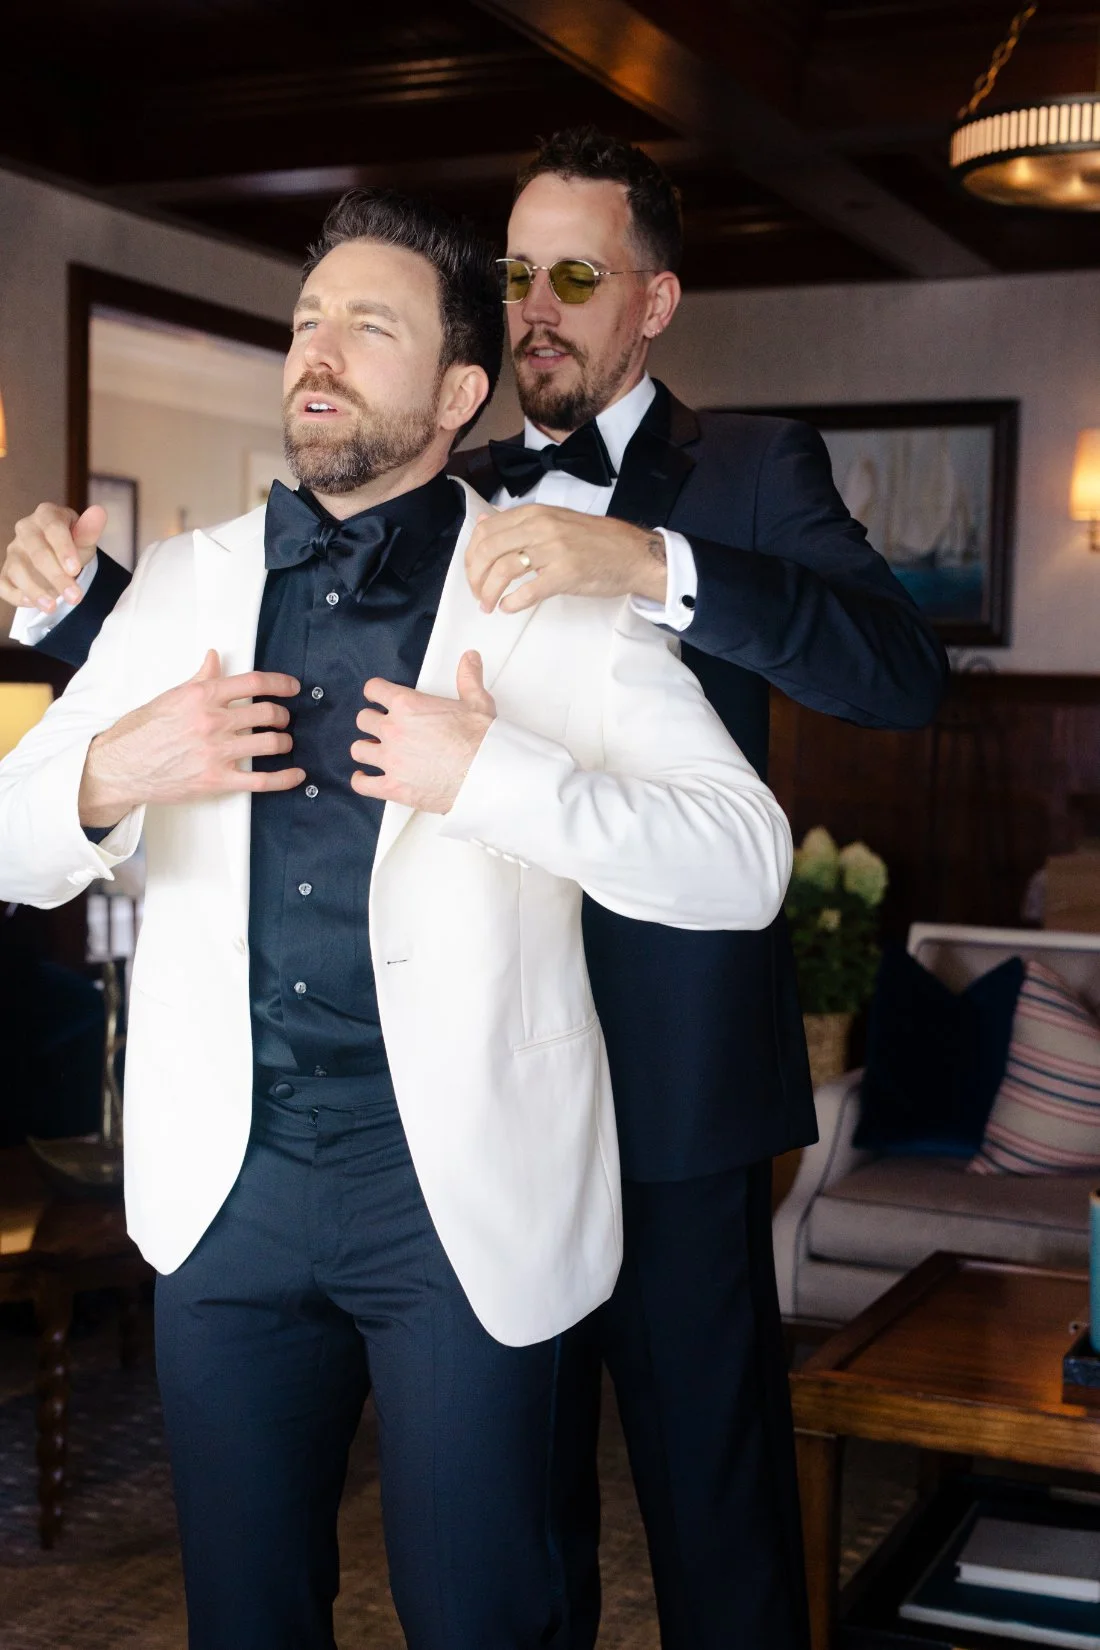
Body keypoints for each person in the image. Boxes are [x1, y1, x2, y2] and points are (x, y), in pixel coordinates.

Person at [3, 130, 948, 1649]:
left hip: (650, 1087)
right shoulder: (429, 502)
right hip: (369, 1118)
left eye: (574, 275)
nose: (534, 309)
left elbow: (882, 694)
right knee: (485, 1545)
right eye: (515, 276)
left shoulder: (709, 494)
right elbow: (267, 669)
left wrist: (641, 578)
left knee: (701, 1503)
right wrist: (86, 651)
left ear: (652, 300)